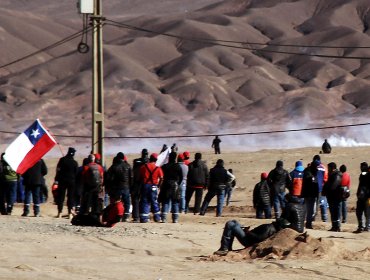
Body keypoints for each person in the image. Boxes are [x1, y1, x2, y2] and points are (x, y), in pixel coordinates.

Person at [214, 194, 305, 256]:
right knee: (234, 222)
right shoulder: (302, 207)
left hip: (248, 240)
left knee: (230, 224)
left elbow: (258, 238)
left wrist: (248, 232)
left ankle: (224, 248)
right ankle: (227, 247)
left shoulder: (270, 228)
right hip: (251, 236)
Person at [105, 152, 132, 222]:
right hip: (126, 187)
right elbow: (131, 177)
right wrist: (130, 186)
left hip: (117, 188)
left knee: (116, 202)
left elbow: (109, 178)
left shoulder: (114, 166)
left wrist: (110, 187)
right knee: (127, 202)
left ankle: (118, 215)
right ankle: (126, 216)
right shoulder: (128, 166)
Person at [55, 147, 78, 219]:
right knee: (70, 197)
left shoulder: (62, 160)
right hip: (72, 182)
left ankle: (60, 213)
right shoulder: (74, 163)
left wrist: (56, 180)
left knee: (61, 197)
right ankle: (70, 214)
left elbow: (58, 170)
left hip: (62, 181)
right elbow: (76, 173)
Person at [139, 153, 163, 223]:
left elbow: (140, 176)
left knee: (145, 201)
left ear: (150, 158)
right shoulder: (158, 168)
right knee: (154, 201)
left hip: (145, 186)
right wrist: (158, 186)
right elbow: (161, 178)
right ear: (156, 160)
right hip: (154, 186)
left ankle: (144, 218)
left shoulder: (143, 167)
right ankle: (157, 218)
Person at [160, 152, 183, 223]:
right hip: (175, 185)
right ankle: (175, 219)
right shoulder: (178, 166)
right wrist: (177, 184)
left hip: (166, 184)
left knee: (165, 202)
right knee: (175, 202)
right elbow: (181, 177)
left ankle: (163, 218)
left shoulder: (165, 166)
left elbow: (161, 176)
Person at [322, 162, 343, 232]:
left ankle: (337, 226)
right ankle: (334, 226)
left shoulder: (336, 175)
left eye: (329, 168)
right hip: (332, 196)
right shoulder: (332, 174)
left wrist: (327, 190)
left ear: (332, 168)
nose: (328, 169)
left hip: (335, 196)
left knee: (336, 211)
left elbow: (333, 186)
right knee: (333, 211)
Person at [131, 148, 149, 222]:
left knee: (136, 199)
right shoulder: (149, 162)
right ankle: (143, 216)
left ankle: (136, 217)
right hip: (145, 183)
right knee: (144, 200)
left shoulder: (136, 161)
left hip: (137, 182)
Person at [301, 160, 320, 229]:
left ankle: (307, 223)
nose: (318, 169)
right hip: (309, 194)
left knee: (310, 210)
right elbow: (310, 183)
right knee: (309, 210)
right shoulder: (308, 172)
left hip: (312, 194)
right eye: (317, 167)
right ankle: (308, 224)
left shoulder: (312, 172)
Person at [354, 162, 370, 233]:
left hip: (366, 197)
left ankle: (366, 227)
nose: (360, 168)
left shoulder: (365, 174)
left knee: (366, 212)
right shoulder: (363, 175)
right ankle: (363, 226)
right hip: (362, 196)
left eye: (361, 167)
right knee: (360, 212)